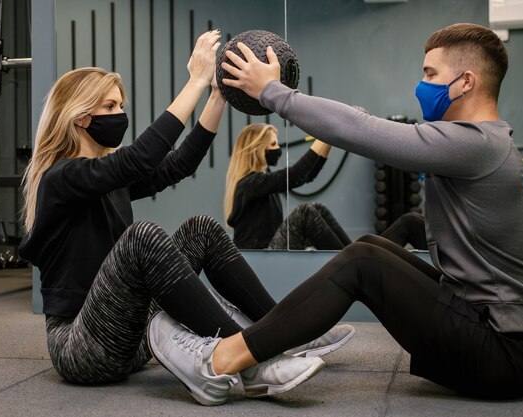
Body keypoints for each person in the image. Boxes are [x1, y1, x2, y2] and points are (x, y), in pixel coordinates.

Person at [147, 23, 523, 403]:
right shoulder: (484, 143)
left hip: (501, 354)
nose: (421, 86)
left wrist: (272, 91)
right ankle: (283, 333)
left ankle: (218, 362)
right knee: (372, 246)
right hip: (494, 337)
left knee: (364, 261)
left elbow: (360, 130)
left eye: (430, 74)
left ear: (466, 82)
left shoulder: (476, 144)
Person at [18, 30, 354, 407]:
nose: (120, 115)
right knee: (141, 237)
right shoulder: (61, 178)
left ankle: (283, 330)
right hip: (82, 348)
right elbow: (141, 159)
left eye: (120, 106)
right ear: (80, 118)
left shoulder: (105, 179)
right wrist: (194, 80)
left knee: (201, 229)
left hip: (131, 338)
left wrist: (216, 95)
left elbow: (178, 165)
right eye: (110, 107)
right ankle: (254, 360)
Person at [225, 123, 352, 250]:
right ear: (257, 149)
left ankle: (354, 253)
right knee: (305, 213)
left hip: (269, 251)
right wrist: (327, 132)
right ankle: (350, 259)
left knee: (319, 209)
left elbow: (307, 175)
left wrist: (328, 140)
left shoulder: (261, 181)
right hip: (260, 256)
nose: (278, 148)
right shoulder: (250, 184)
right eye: (273, 144)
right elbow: (296, 175)